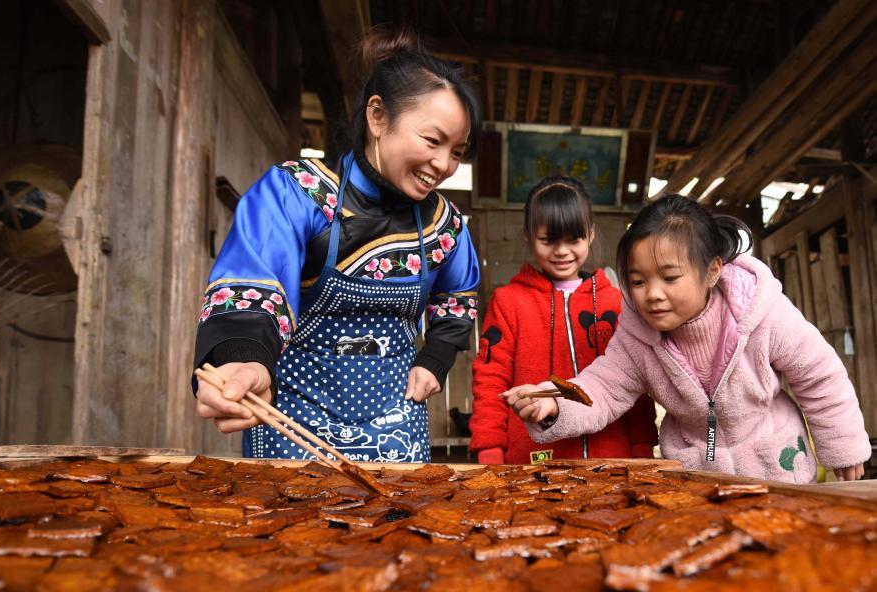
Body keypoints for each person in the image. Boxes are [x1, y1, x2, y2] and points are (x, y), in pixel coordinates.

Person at [193, 27, 481, 463]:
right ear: (378, 116)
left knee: (398, 527)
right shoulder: (297, 193)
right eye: (432, 141)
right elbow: (254, 281)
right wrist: (244, 359)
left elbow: (457, 302)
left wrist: (435, 359)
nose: (443, 165)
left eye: (457, 151)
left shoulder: (448, 227)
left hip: (395, 416)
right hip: (291, 410)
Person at [505, 194, 870, 482]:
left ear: (712, 270)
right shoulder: (637, 335)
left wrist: (844, 447)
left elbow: (819, 375)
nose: (652, 294)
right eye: (638, 281)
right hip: (697, 477)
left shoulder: (762, 312)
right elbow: (603, 388)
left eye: (669, 277)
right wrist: (555, 407)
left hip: (778, 468)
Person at [470, 176, 658, 465]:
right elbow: (490, 379)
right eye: (548, 240)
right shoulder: (508, 302)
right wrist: (489, 451)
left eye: (574, 239)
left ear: (591, 234)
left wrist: (642, 447)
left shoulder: (617, 303)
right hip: (531, 464)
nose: (561, 251)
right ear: (528, 237)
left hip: (612, 460)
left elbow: (636, 383)